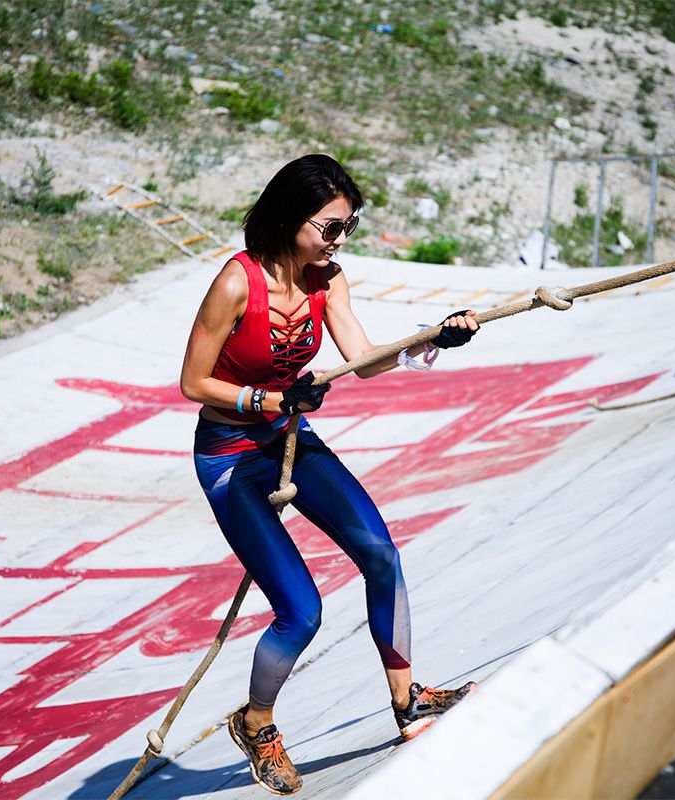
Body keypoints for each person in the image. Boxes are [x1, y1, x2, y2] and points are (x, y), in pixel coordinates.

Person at [180, 154, 480, 795]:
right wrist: (266, 402)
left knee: (381, 554)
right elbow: (193, 383)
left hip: (290, 439)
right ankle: (256, 721)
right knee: (301, 611)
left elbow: (363, 361)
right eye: (330, 227)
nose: (339, 241)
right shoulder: (237, 283)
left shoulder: (329, 280)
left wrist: (434, 338)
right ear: (291, 218)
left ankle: (409, 703)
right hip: (231, 458)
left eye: (348, 227)